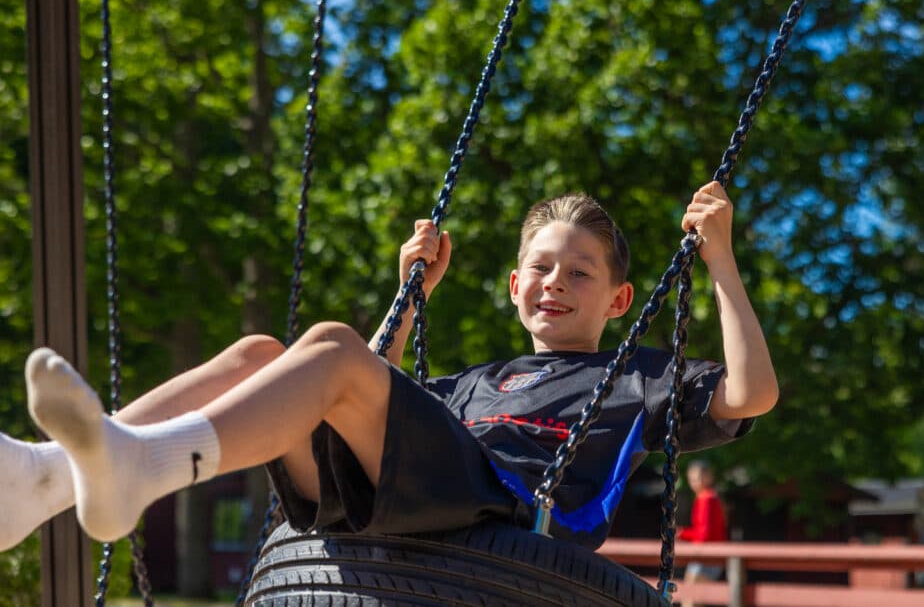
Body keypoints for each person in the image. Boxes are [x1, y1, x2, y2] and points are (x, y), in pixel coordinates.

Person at [0, 181, 777, 553]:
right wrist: (411, 295)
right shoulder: (484, 379)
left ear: (618, 299)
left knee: (330, 347)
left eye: (580, 272)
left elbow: (752, 393)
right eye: (540, 267)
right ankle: (46, 476)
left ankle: (141, 464)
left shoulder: (636, 373)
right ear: (514, 286)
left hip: (505, 515)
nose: (556, 283)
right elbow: (362, 393)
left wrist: (720, 262)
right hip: (405, 498)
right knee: (261, 356)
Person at [677, 460, 728, 607]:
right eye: (692, 479)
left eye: (699, 478)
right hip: (707, 555)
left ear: (709, 477)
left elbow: (705, 534)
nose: (695, 482)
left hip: (706, 556)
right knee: (692, 599)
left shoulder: (707, 498)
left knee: (691, 600)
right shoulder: (710, 497)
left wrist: (683, 534)